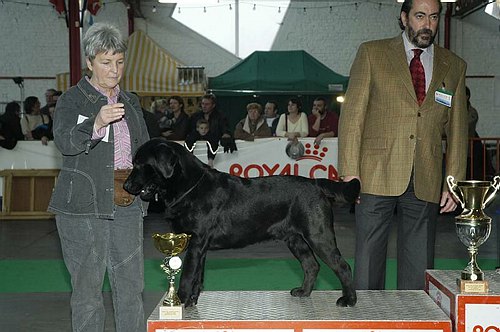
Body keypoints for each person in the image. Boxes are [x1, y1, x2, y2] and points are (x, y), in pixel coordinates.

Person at [338, 0, 468, 291]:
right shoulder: (372, 53)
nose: (428, 25)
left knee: (419, 266)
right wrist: (349, 172)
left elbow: (457, 131)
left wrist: (453, 181)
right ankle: (366, 320)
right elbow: (352, 117)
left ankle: (415, 320)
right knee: (368, 264)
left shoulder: (454, 66)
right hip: (373, 175)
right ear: (404, 17)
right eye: (420, 16)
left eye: (434, 17)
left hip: (426, 176)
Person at [47, 23, 150, 332]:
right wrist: (95, 123)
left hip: (127, 203)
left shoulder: (130, 102)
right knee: (88, 292)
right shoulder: (71, 100)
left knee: (132, 287)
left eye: (119, 61)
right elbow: (65, 142)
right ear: (90, 62)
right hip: (83, 207)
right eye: (106, 62)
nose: (114, 69)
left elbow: (143, 150)